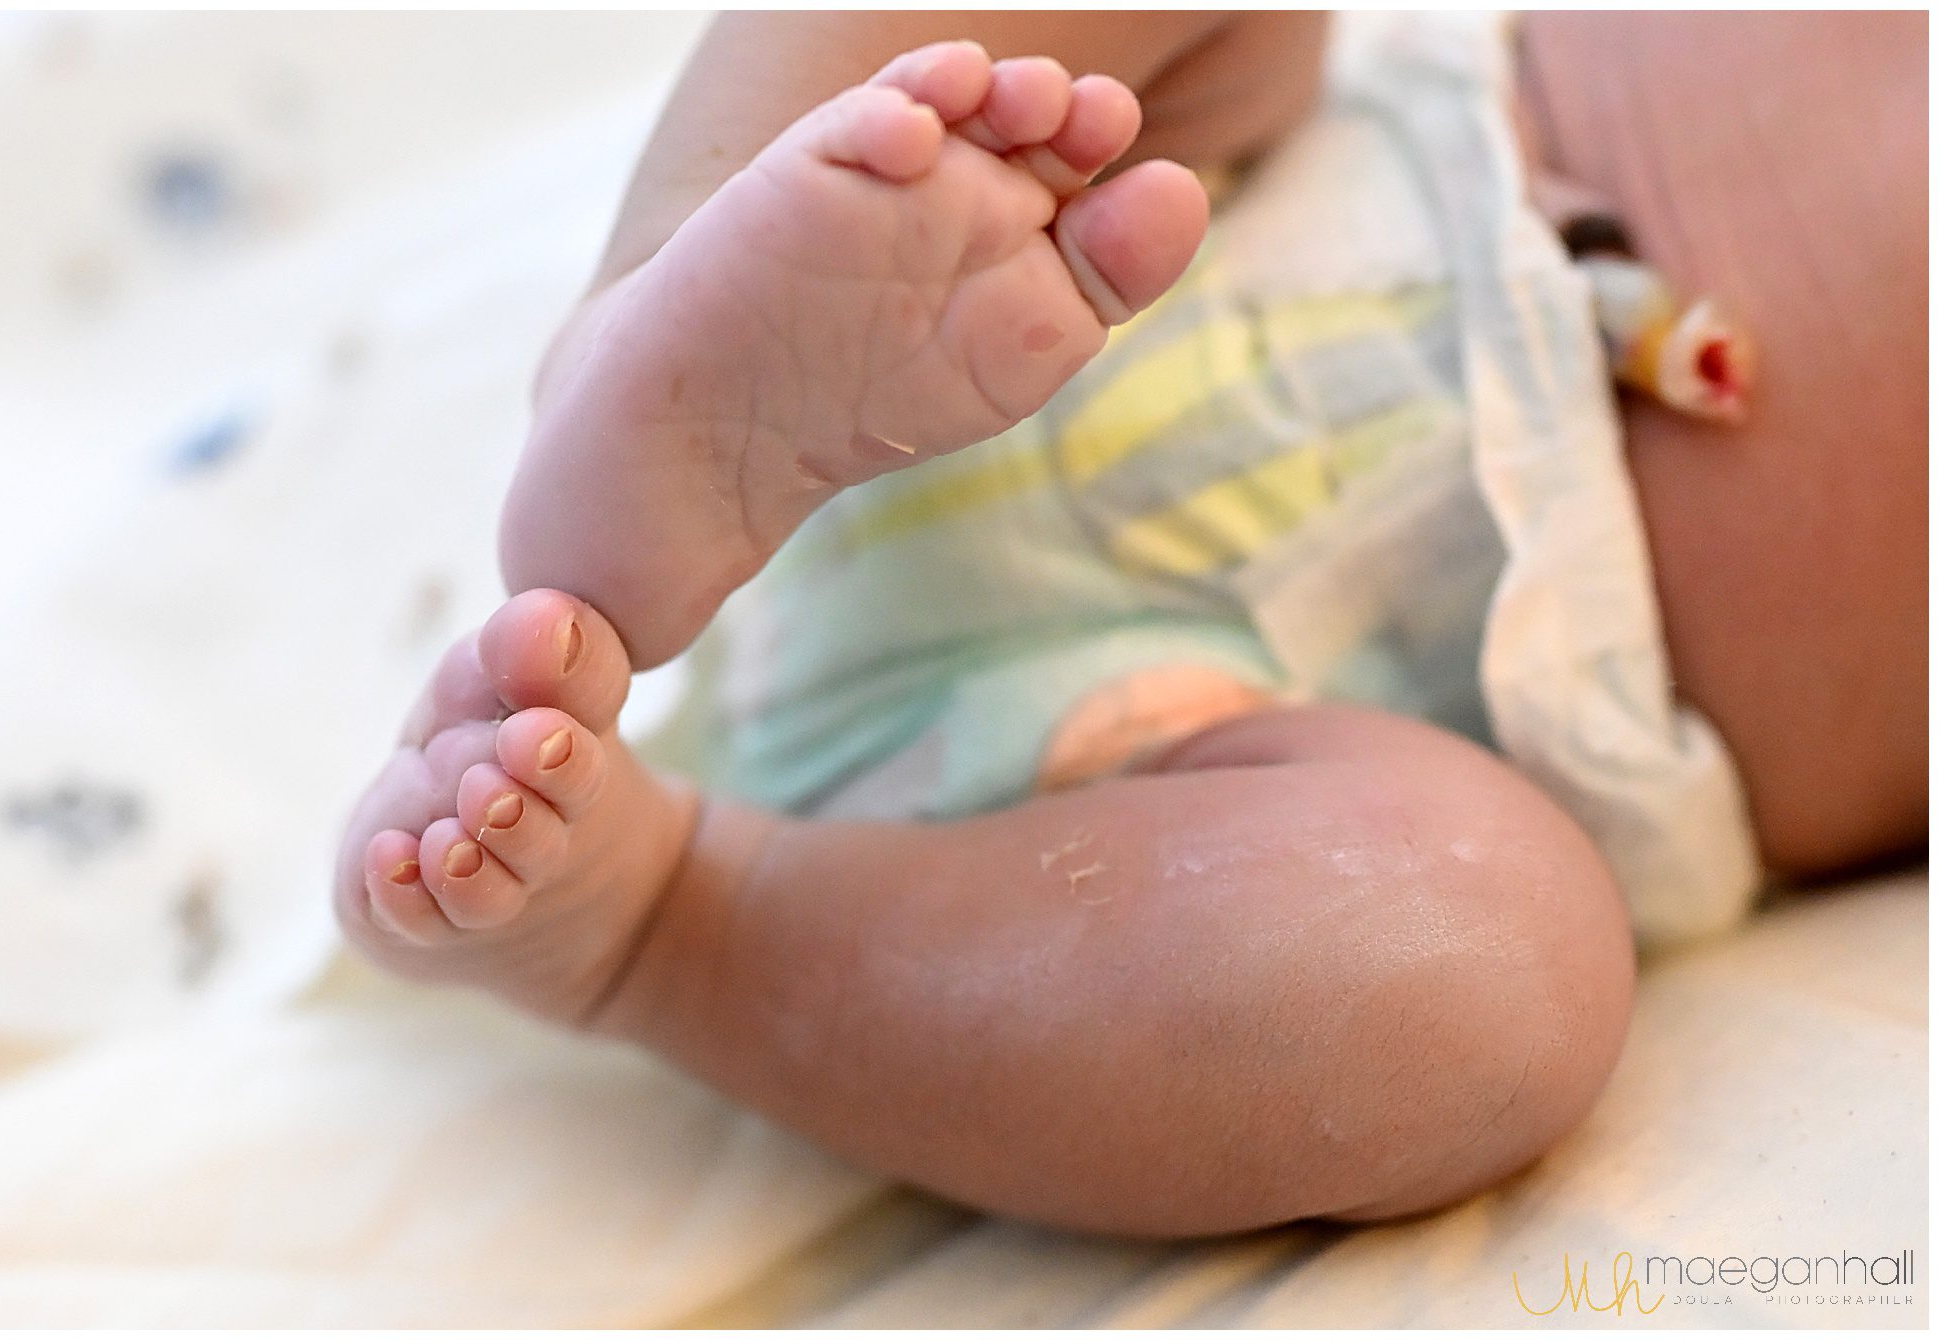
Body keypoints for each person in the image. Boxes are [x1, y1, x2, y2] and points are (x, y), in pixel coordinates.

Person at [332, 11, 1926, 1235]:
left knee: (1483, 987)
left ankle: (680, 920)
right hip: (1125, 204)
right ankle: (653, 313)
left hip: (1194, 764)